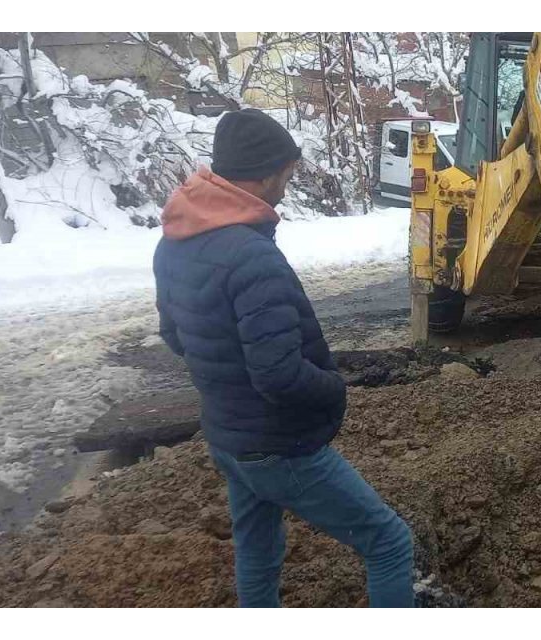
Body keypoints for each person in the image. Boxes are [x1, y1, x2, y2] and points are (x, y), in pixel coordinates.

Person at [153, 109, 415, 608]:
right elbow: (277, 373)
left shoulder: (175, 243)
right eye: (289, 176)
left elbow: (176, 336)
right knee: (388, 543)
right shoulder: (251, 255)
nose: (287, 189)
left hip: (228, 437)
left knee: (258, 547)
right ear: (268, 173)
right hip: (277, 445)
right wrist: (334, 387)